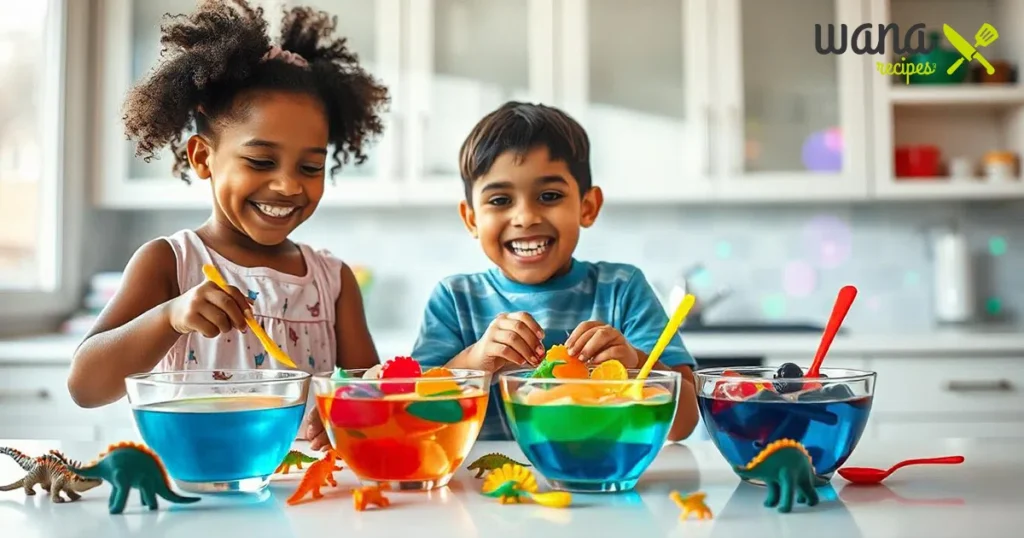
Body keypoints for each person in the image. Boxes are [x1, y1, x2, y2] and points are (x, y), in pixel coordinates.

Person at [67, 0, 389, 451]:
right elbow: (85, 386)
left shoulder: (332, 282)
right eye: (261, 161)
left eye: (311, 167)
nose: (287, 185)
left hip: (308, 505)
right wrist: (171, 317)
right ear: (203, 157)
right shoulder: (170, 263)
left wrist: (354, 409)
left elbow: (373, 396)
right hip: (199, 497)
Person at [410, 101, 700, 441]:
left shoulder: (622, 289)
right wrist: (476, 361)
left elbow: (683, 424)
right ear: (471, 218)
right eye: (500, 200)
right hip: (483, 489)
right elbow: (417, 416)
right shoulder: (455, 299)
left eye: (549, 196)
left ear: (587, 207)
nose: (525, 217)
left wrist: (635, 363)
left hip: (600, 480)